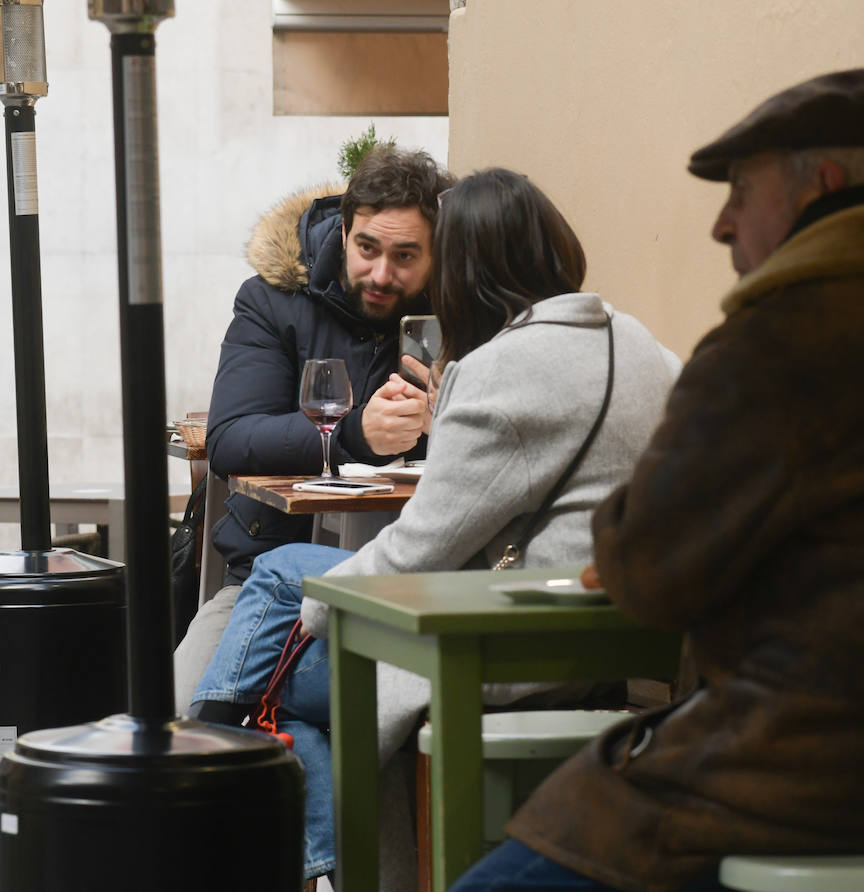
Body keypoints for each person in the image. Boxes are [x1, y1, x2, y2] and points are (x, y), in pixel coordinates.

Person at [452, 69, 864, 892]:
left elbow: (645, 574)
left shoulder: (777, 342)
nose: (723, 224)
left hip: (794, 794)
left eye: (740, 192)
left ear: (822, 187)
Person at [190, 167, 682, 884]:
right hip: (612, 624)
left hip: (510, 640)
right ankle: (290, 824)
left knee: (272, 657)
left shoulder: (506, 368)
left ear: (465, 272)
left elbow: (418, 552)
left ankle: (277, 819)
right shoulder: (642, 343)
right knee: (278, 581)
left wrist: (320, 614)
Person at [206, 146, 454, 586]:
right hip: (272, 574)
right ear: (343, 233)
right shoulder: (273, 300)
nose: (380, 273)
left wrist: (448, 423)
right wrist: (355, 434)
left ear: (435, 255)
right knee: (192, 660)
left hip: (417, 576)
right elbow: (230, 439)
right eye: (367, 248)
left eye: (405, 256)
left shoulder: (458, 312)